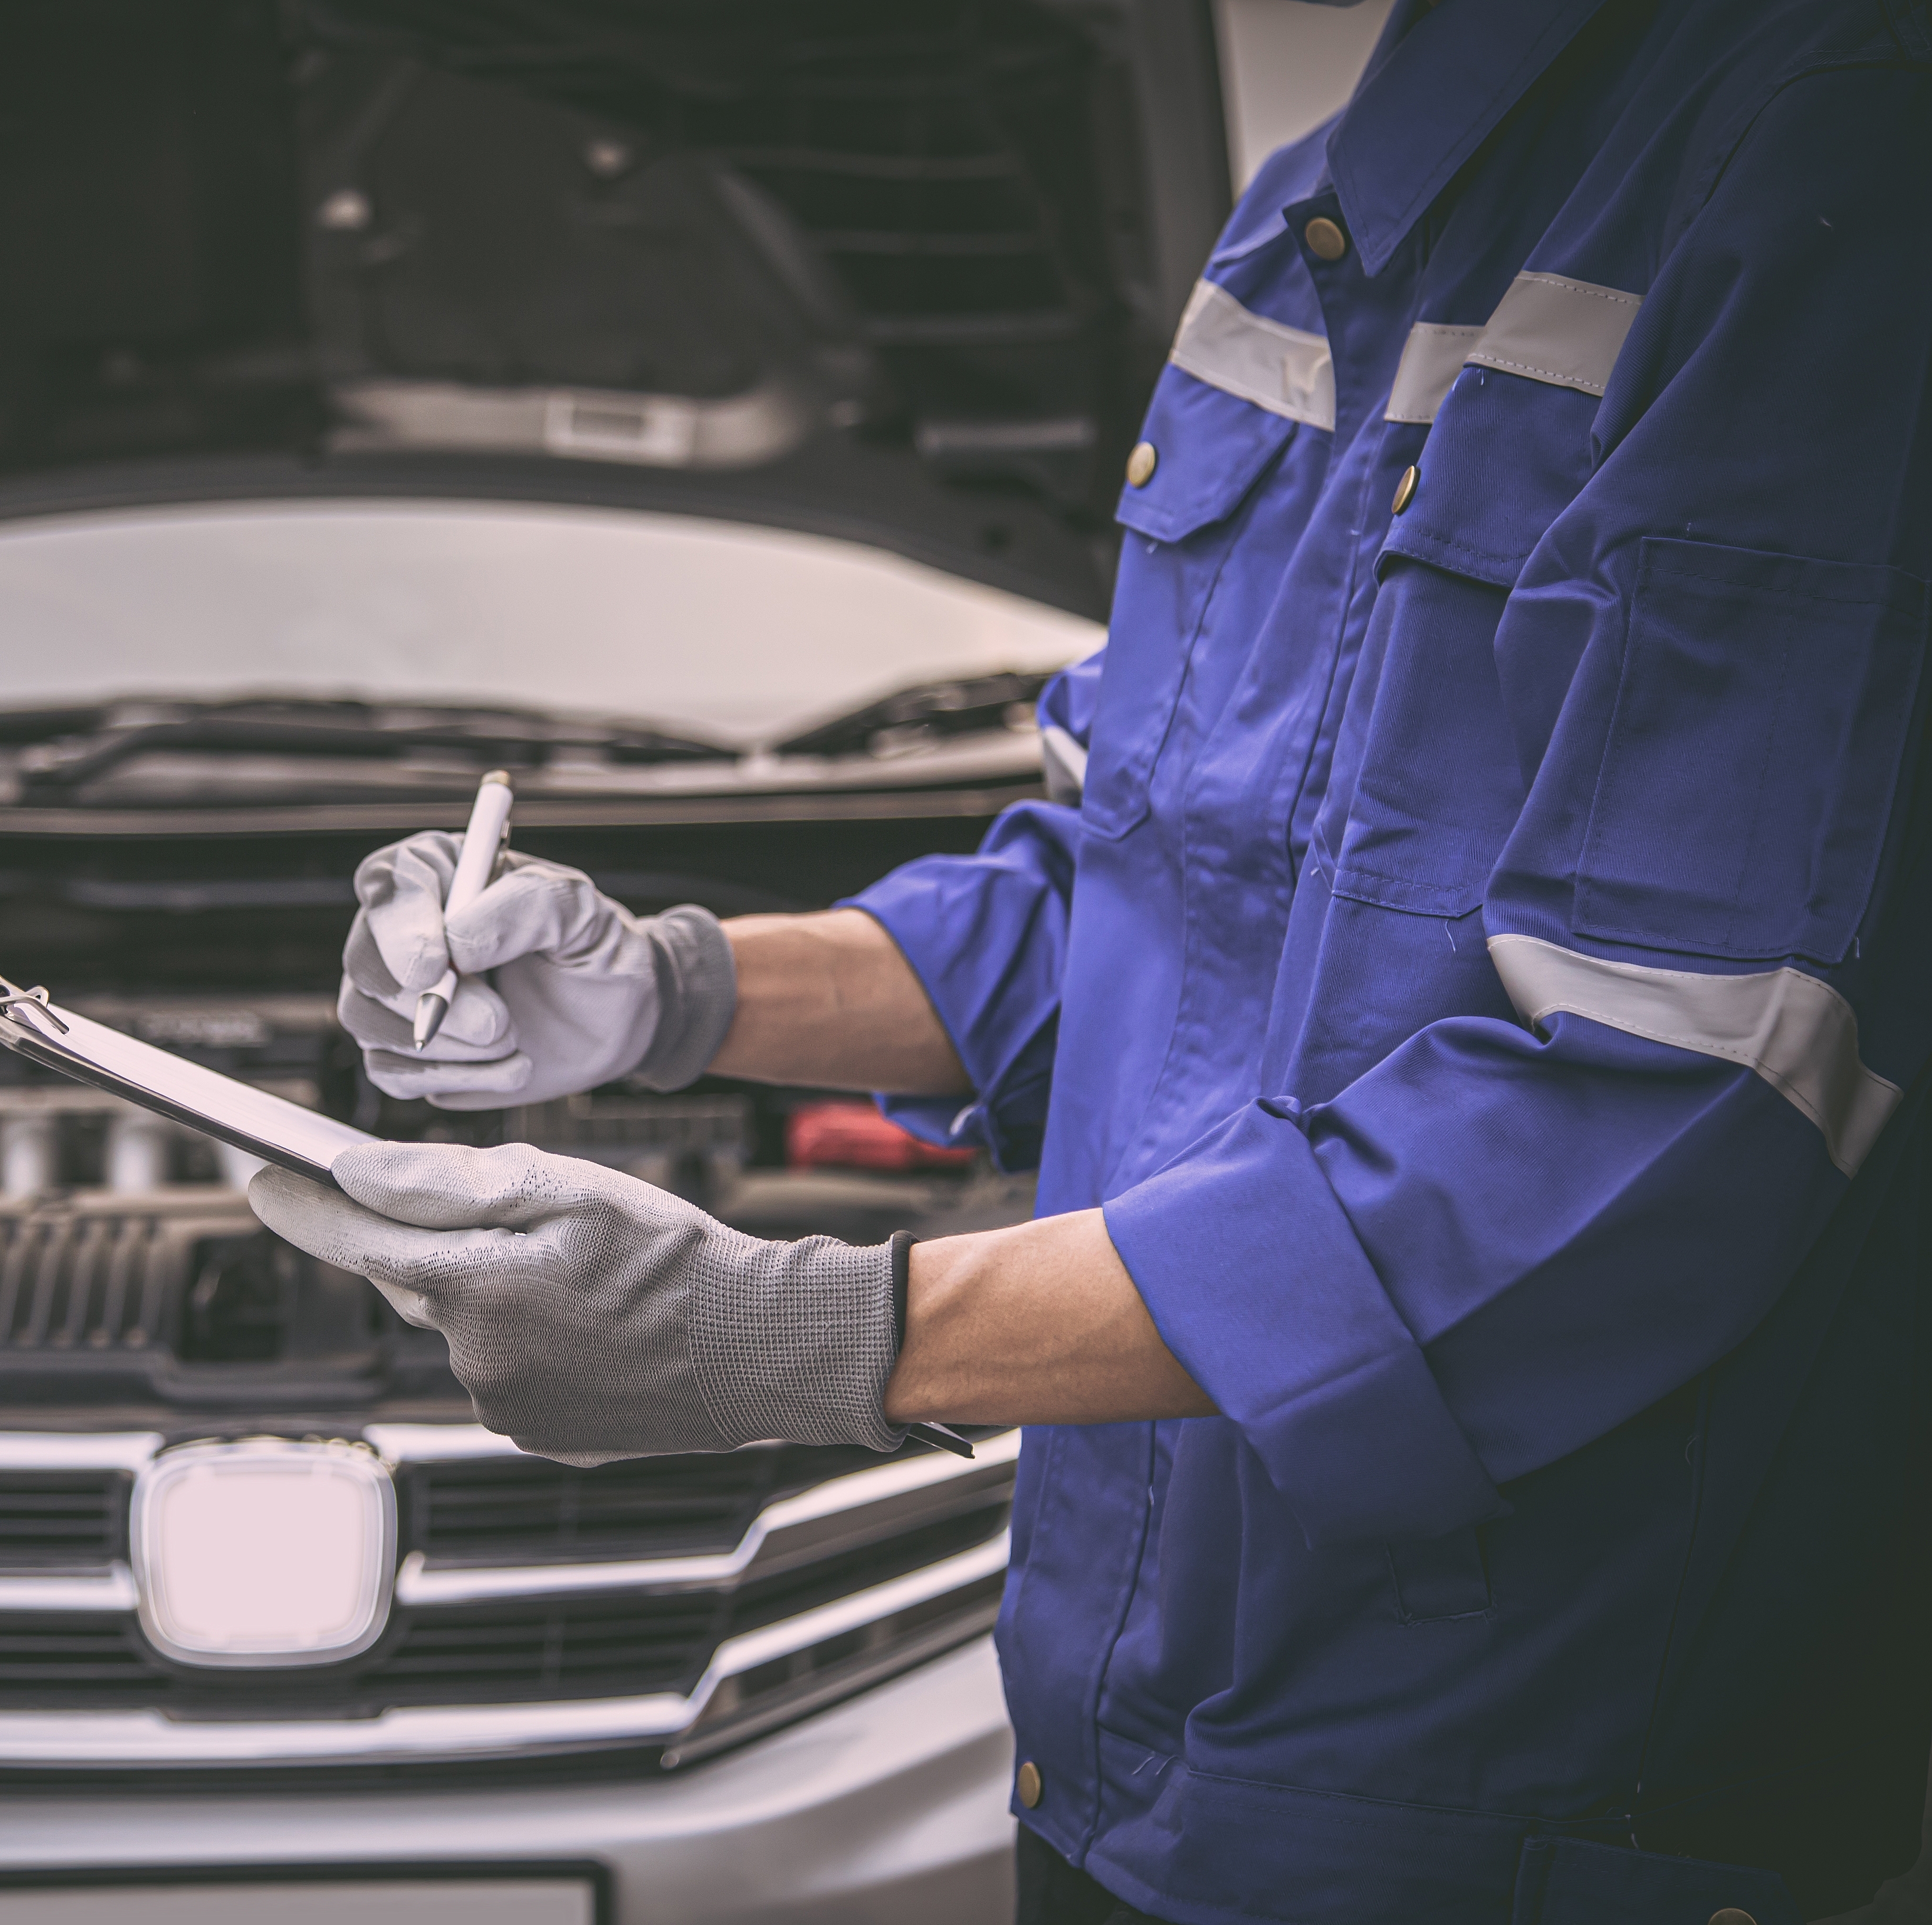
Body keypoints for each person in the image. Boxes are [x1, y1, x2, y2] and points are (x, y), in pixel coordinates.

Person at [247, 0, 1932, 1917]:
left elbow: (1653, 1120)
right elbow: (1141, 890)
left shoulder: (1833, 150)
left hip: (1512, 1803)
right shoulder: (1323, 210)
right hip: (1112, 1741)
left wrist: (813, 1335)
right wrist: (671, 989)